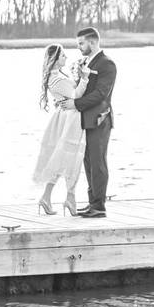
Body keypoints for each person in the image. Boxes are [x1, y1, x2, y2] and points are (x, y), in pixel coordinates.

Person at [57, 27, 117, 218]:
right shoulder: (85, 62)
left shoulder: (107, 64)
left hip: (99, 119)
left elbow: (101, 95)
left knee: (98, 162)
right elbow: (80, 87)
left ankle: (99, 206)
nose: (79, 47)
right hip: (83, 119)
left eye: (81, 43)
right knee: (88, 161)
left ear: (92, 42)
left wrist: (75, 103)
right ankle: (92, 202)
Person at [32, 43, 94, 216]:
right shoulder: (56, 79)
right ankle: (67, 198)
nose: (66, 58)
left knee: (66, 158)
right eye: (63, 56)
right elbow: (77, 96)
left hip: (67, 116)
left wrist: (78, 74)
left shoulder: (58, 75)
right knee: (72, 157)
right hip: (71, 119)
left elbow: (70, 93)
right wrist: (85, 78)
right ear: (55, 59)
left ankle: (55, 197)